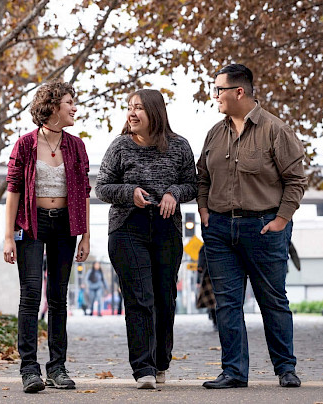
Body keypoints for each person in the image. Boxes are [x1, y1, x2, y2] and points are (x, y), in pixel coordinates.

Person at [197, 64, 307, 389]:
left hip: (263, 230)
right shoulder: (215, 133)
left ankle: (286, 369)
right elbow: (202, 177)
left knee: (272, 300)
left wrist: (281, 221)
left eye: (219, 89)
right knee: (226, 303)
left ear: (239, 92)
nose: (215, 95)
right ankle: (233, 372)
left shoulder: (275, 130)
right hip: (219, 231)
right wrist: (204, 211)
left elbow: (296, 180)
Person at [95, 88, 197, 389]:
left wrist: (173, 193)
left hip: (166, 227)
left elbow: (192, 184)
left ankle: (161, 361)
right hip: (127, 227)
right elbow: (102, 187)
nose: (131, 113)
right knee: (140, 298)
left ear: (155, 112)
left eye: (138, 107)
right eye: (129, 107)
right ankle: (144, 369)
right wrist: (130, 193)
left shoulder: (179, 146)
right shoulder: (120, 146)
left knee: (165, 298)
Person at [3, 81, 90, 393]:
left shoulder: (76, 146)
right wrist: (8, 237)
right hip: (32, 224)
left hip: (66, 225)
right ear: (53, 107)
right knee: (30, 296)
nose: (74, 108)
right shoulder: (25, 144)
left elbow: (84, 192)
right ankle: (29, 369)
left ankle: (57, 367)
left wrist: (86, 236)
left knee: (58, 296)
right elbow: (13, 189)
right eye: (69, 102)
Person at [196, 245, 217, 330]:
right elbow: (200, 265)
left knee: (215, 300)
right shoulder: (206, 245)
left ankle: (216, 320)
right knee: (212, 300)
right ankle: (215, 320)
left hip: (213, 275)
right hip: (209, 276)